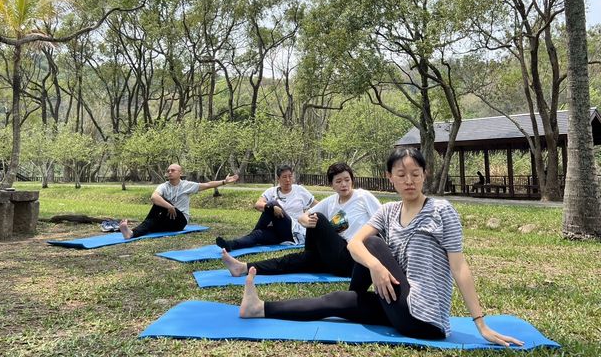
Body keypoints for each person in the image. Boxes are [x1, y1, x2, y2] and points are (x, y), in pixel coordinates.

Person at [238, 148, 524, 347]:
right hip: (398, 304)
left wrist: (481, 324)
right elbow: (354, 247)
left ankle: (357, 297)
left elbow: (459, 267)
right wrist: (375, 267)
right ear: (390, 177)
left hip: (424, 318)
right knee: (340, 299)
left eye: (415, 173)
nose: (408, 180)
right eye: (401, 174)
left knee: (372, 242)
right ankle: (259, 308)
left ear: (425, 174)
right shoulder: (388, 211)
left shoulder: (441, 210)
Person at [221, 162, 381, 278]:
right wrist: (306, 221)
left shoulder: (362, 196)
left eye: (347, 179)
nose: (344, 184)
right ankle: (242, 268)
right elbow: (303, 217)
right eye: (338, 181)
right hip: (333, 255)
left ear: (352, 180)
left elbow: (384, 221)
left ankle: (309, 255)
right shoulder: (331, 201)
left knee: (319, 218)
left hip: (352, 260)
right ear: (332, 185)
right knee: (291, 260)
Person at [119, 163, 238, 239]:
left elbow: (207, 184)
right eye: (168, 170)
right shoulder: (164, 186)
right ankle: (131, 233)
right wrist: (169, 207)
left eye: (173, 170)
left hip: (180, 221)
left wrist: (224, 182)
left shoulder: (187, 185)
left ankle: (132, 232)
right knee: (151, 221)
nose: (169, 172)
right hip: (167, 219)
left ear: (180, 173)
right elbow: (154, 197)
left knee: (158, 206)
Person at [215, 165, 318, 251]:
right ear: (278, 179)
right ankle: (230, 245)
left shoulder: (299, 190)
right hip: (278, 232)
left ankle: (255, 229)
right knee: (258, 234)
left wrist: (331, 215)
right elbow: (257, 204)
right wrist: (270, 208)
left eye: (290, 177)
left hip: (294, 231)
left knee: (272, 203)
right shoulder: (272, 191)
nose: (288, 180)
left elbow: (317, 205)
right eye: (284, 177)